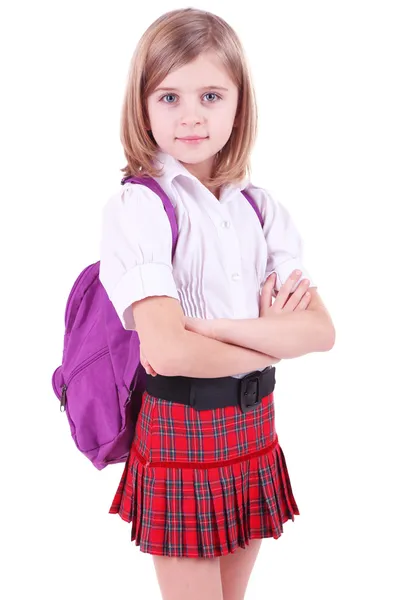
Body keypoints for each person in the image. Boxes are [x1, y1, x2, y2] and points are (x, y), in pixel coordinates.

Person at [99, 7, 335, 600]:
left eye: (211, 94)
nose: (192, 116)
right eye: (169, 98)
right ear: (143, 107)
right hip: (183, 428)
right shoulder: (140, 207)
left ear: (239, 102)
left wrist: (216, 328)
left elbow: (321, 332)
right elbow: (169, 351)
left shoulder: (258, 207)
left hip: (256, 426)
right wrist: (266, 335)